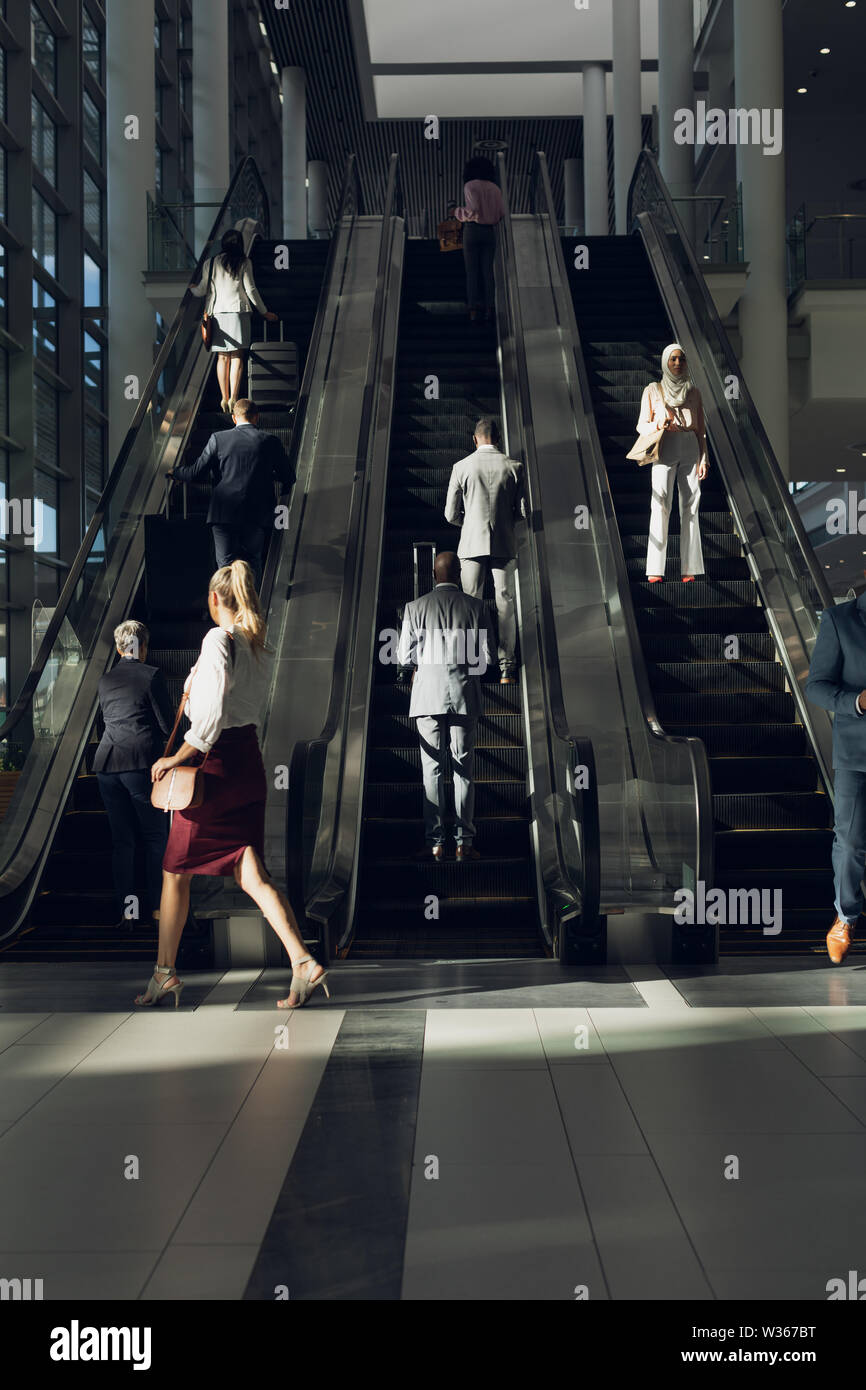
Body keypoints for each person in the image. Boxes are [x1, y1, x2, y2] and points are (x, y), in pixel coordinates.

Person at [136, 561, 328, 1009]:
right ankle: (301, 961)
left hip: (214, 766)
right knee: (250, 870)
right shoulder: (257, 644)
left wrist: (176, 757)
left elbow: (212, 713)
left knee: (174, 869)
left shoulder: (217, 638)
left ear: (214, 599)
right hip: (248, 764)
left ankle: (165, 973)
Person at [398, 551, 492, 860]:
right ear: (458, 575)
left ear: (434, 575)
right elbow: (486, 658)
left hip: (427, 696)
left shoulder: (415, 608)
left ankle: (436, 843)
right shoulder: (476, 607)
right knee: (464, 770)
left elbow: (404, 657)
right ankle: (464, 843)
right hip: (464, 694)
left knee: (432, 771)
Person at [93, 621, 174, 928]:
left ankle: (128, 914)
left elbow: (107, 721)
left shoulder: (105, 679)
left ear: (118, 648)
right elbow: (167, 725)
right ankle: (156, 909)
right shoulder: (151, 675)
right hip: (139, 764)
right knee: (155, 838)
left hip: (107, 766)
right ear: (144, 646)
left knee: (123, 843)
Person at [168, 397, 295, 588]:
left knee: (225, 567)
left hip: (224, 514)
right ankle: (252, 609)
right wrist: (271, 480)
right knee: (253, 562)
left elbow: (196, 473)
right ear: (256, 417)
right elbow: (289, 477)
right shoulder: (270, 441)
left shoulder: (218, 439)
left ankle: (228, 611)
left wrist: (175, 472)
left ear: (234, 418)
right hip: (257, 515)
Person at [804, 593, 866, 964]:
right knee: (852, 842)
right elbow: (816, 686)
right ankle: (846, 916)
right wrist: (858, 702)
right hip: (857, 756)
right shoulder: (841, 619)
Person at [444, 417, 524, 684]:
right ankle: (507, 667)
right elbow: (522, 512)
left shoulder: (461, 467)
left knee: (471, 603)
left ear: (475, 439)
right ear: (498, 438)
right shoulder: (514, 467)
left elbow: (449, 514)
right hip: (504, 542)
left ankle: (472, 661)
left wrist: (467, 523)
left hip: (471, 543)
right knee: (505, 603)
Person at [638, 344, 708, 582]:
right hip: (665, 445)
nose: (678, 363)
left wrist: (703, 458)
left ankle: (690, 568)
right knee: (660, 504)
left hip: (690, 444)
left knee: (691, 506)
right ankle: (655, 569)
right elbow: (641, 426)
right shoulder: (653, 390)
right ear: (666, 363)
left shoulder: (694, 392)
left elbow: (701, 431)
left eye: (681, 359)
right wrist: (659, 424)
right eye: (673, 360)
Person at [189, 228, 279, 414]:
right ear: (240, 244)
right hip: (238, 312)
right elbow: (251, 289)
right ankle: (234, 398)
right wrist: (264, 312)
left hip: (217, 314)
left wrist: (192, 289)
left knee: (222, 357)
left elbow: (203, 289)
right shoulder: (244, 262)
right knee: (237, 357)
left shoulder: (211, 263)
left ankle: (223, 397)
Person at [453, 156, 504, 322]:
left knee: (472, 272)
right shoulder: (496, 189)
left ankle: (473, 310)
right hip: (490, 232)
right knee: (488, 272)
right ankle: (490, 308)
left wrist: (456, 211)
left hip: (473, 230)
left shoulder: (470, 185)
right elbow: (501, 214)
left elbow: (473, 210)